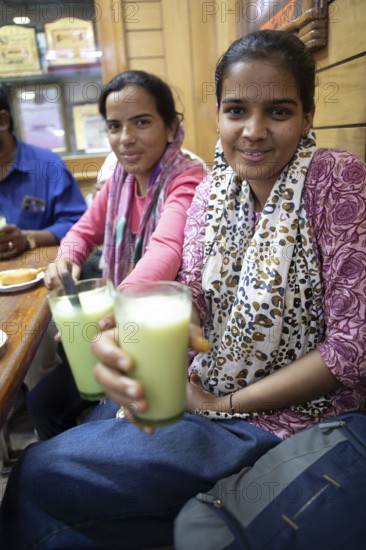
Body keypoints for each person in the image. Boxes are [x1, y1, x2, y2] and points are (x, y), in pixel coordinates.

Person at [1, 30, 366, 549]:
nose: (254, 131)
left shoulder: (337, 181)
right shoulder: (216, 190)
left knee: (42, 473)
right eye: (236, 110)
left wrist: (218, 404)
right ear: (217, 116)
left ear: (308, 116)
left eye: (279, 112)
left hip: (290, 418)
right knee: (57, 430)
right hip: (205, 386)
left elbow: (350, 351)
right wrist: (121, 335)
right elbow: (189, 293)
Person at [26, 70, 205, 439]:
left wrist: (119, 307)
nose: (125, 139)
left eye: (141, 123)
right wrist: (68, 259)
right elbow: (83, 230)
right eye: (114, 126)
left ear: (171, 127)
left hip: (171, 341)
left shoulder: (189, 180)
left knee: (94, 430)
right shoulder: (120, 182)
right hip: (115, 328)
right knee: (43, 402)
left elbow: (166, 248)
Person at [0, 83, 86, 260]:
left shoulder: (47, 166)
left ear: (2, 121)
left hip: (38, 276)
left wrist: (27, 239)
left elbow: (78, 225)